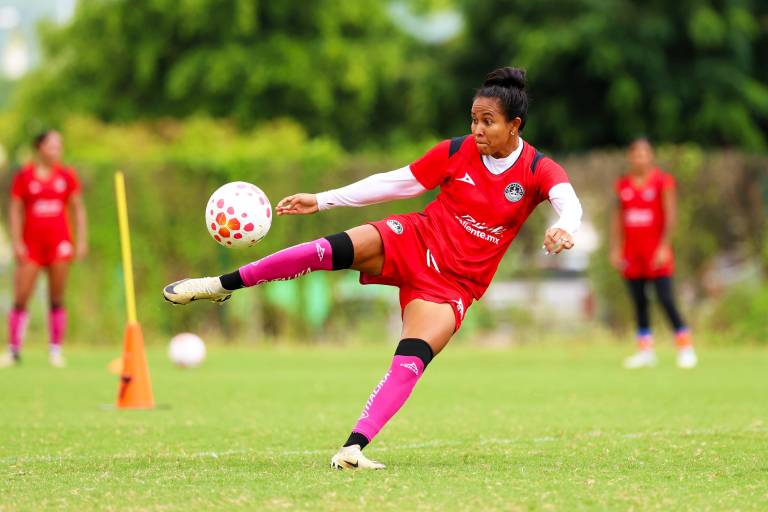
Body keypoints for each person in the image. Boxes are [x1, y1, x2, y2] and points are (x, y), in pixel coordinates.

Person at [163, 67, 583, 469]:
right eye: (473, 120)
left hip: (454, 284)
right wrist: (323, 199)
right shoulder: (455, 152)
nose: (476, 130)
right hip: (413, 239)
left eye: (487, 122)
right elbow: (394, 182)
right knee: (323, 251)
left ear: (515, 125)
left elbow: (568, 202)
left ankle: (352, 449)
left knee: (410, 360)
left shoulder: (536, 170)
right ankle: (221, 284)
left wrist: (565, 227)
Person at [0, 131, 88, 368]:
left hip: (59, 245)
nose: (56, 150)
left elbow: (78, 208)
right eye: (51, 145)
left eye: (59, 146)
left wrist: (81, 240)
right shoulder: (25, 176)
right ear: (39, 147)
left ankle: (55, 350)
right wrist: (16, 240)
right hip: (31, 246)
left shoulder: (67, 175)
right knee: (21, 296)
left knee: (56, 297)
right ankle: (14, 350)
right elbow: (15, 209)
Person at [610, 137, 697, 369]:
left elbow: (671, 217)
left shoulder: (663, 182)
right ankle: (645, 351)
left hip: (655, 251)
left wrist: (664, 246)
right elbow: (618, 219)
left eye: (644, 153)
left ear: (651, 156)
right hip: (632, 252)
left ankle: (685, 345)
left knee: (665, 299)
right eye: (636, 154)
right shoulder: (623, 185)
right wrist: (616, 248)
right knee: (639, 301)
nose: (640, 158)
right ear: (630, 157)